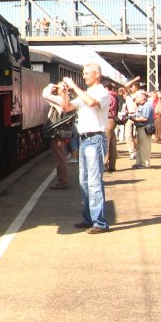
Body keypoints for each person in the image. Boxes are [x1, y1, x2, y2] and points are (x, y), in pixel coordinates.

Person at [60, 62, 111, 234]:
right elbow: (67, 108)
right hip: (84, 140)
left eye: (87, 73)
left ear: (97, 74)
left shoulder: (102, 92)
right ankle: (89, 218)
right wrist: (64, 94)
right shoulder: (86, 93)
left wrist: (74, 87)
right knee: (84, 182)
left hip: (95, 139)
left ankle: (100, 222)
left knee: (95, 182)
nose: (84, 76)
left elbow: (91, 103)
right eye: (83, 73)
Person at [42, 82, 75, 190]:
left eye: (59, 88)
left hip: (58, 133)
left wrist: (52, 85)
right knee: (61, 157)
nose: (56, 90)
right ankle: (62, 180)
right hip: (62, 132)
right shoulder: (68, 99)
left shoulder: (61, 100)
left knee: (60, 158)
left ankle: (63, 181)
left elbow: (45, 94)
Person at [130, 91, 154, 169]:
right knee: (139, 147)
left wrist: (135, 119)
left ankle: (145, 164)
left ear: (143, 97)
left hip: (145, 128)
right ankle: (139, 163)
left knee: (145, 147)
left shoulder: (147, 105)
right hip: (140, 128)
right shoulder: (141, 105)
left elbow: (145, 118)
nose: (136, 99)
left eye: (137, 97)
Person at [104, 83, 122, 172]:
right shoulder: (115, 95)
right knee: (112, 144)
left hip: (108, 120)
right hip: (113, 120)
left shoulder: (108, 96)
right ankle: (112, 165)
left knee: (106, 143)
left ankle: (104, 163)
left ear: (106, 88)